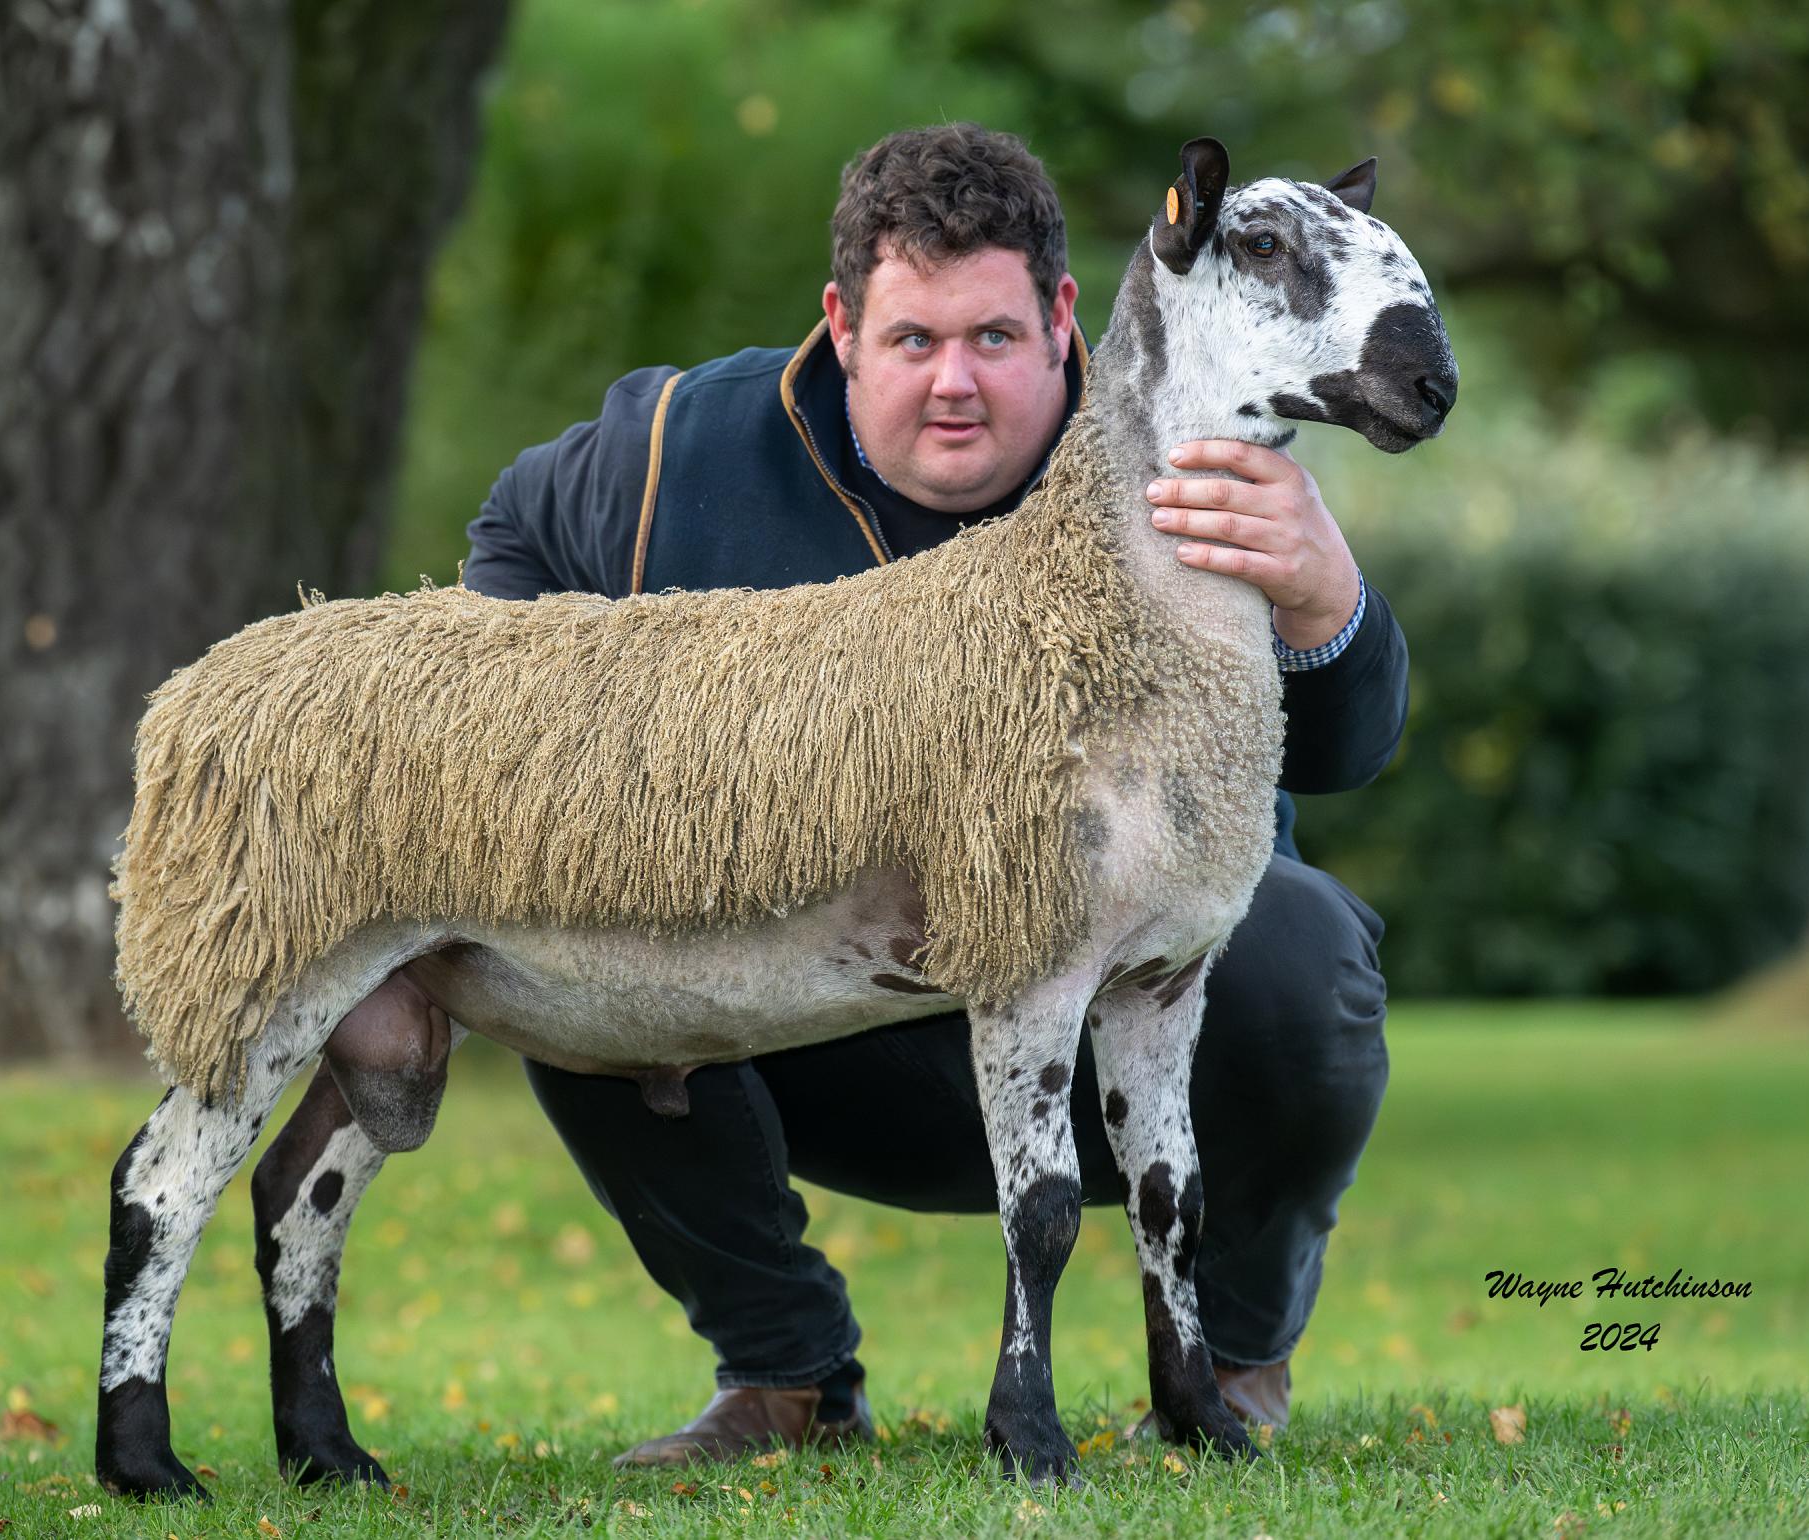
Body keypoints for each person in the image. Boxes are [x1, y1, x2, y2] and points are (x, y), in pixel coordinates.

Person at [459, 122, 1403, 1465]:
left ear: (1064, 319)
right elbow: (512, 536)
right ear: (842, 326)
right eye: (913, 343)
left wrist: (1327, 595)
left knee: (1314, 962)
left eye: (995, 341)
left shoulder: (1178, 439)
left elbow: (1350, 751)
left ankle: (1222, 1361)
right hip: (815, 1030)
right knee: (561, 917)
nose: (954, 384)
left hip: (1114, 1033)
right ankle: (782, 1373)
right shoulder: (677, 445)